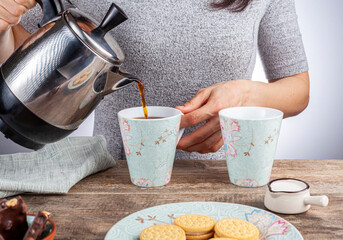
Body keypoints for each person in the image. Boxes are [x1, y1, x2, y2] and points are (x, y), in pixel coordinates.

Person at [0, 0, 309, 160]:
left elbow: (297, 88)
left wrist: (247, 95)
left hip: (228, 177)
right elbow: (27, 54)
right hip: (114, 178)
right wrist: (2, 24)